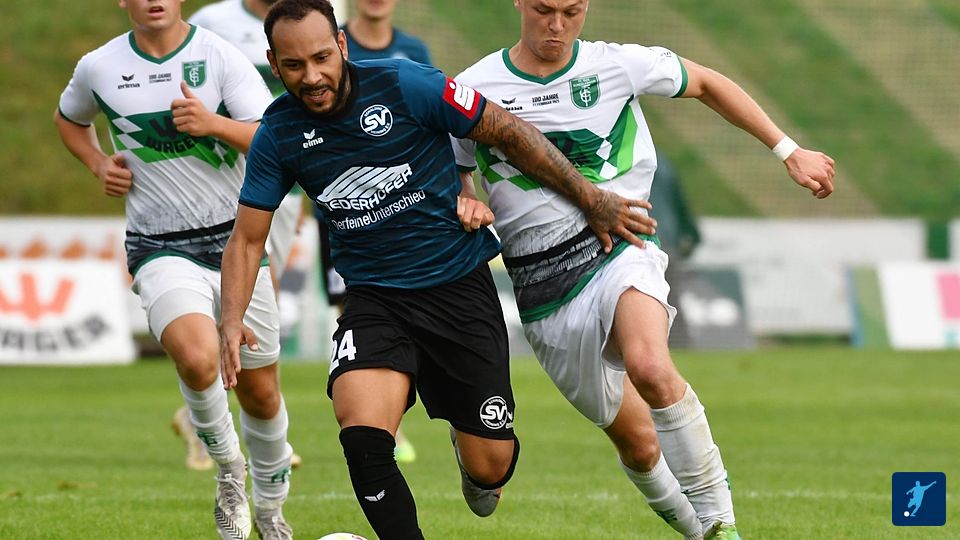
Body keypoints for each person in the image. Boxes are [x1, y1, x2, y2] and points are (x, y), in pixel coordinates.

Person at [218, 1, 656, 538]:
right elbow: (247, 239)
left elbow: (509, 133)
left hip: (457, 288)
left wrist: (589, 198)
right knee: (361, 433)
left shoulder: (407, 84)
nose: (311, 77)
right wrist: (231, 319)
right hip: (375, 299)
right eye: (293, 65)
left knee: (490, 467)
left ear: (342, 46)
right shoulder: (278, 132)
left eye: (321, 58)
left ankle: (471, 449)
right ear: (273, 63)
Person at [452, 1, 835, 538]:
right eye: (544, 9)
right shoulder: (475, 86)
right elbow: (456, 167)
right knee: (639, 445)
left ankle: (722, 527)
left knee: (651, 368)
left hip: (623, 245)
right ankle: (700, 531)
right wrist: (467, 195)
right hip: (542, 287)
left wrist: (788, 150)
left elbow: (707, 82)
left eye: (572, 10)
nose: (557, 25)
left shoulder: (618, 64)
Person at [54, 1, 295, 538]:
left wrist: (212, 124)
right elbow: (69, 119)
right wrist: (98, 163)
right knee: (197, 357)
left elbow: (273, 138)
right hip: (158, 244)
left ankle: (272, 508)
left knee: (261, 393)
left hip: (235, 245)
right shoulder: (99, 66)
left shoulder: (219, 55)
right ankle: (229, 470)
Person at [171, 0, 304, 474]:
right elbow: (181, 108)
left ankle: (212, 418)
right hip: (229, 191)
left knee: (256, 313)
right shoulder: (213, 23)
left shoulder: (309, 18)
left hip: (290, 186)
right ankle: (209, 423)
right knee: (222, 312)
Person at [313, 0, 434, 463]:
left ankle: (393, 411)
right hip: (344, 214)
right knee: (353, 308)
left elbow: (434, 125)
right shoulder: (328, 46)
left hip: (404, 214)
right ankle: (382, 421)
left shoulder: (413, 51)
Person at [647, 150, 701, 349]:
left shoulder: (619, 153)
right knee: (670, 300)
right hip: (665, 239)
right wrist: (692, 235)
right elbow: (679, 202)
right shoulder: (663, 162)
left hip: (635, 237)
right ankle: (680, 348)